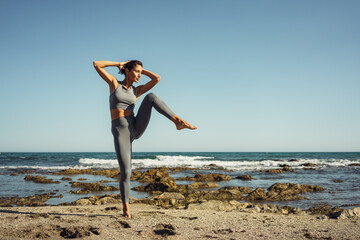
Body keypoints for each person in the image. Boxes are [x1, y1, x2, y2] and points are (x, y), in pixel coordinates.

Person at [93, 60, 197, 218]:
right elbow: (96, 64)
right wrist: (118, 64)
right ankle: (126, 209)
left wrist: (140, 69)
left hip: (135, 126)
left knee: (151, 97)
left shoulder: (136, 91)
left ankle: (177, 121)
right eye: (136, 72)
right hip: (120, 130)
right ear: (127, 71)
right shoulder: (115, 84)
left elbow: (157, 79)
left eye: (141, 73)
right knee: (126, 172)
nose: (139, 75)